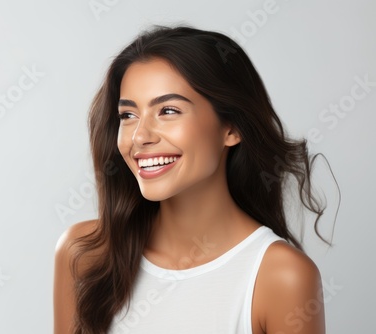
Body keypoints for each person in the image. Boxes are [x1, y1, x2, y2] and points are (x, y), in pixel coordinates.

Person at [54, 25, 332, 334]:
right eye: (128, 115)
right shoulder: (85, 253)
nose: (140, 136)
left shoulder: (280, 276)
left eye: (168, 110)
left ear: (231, 128)